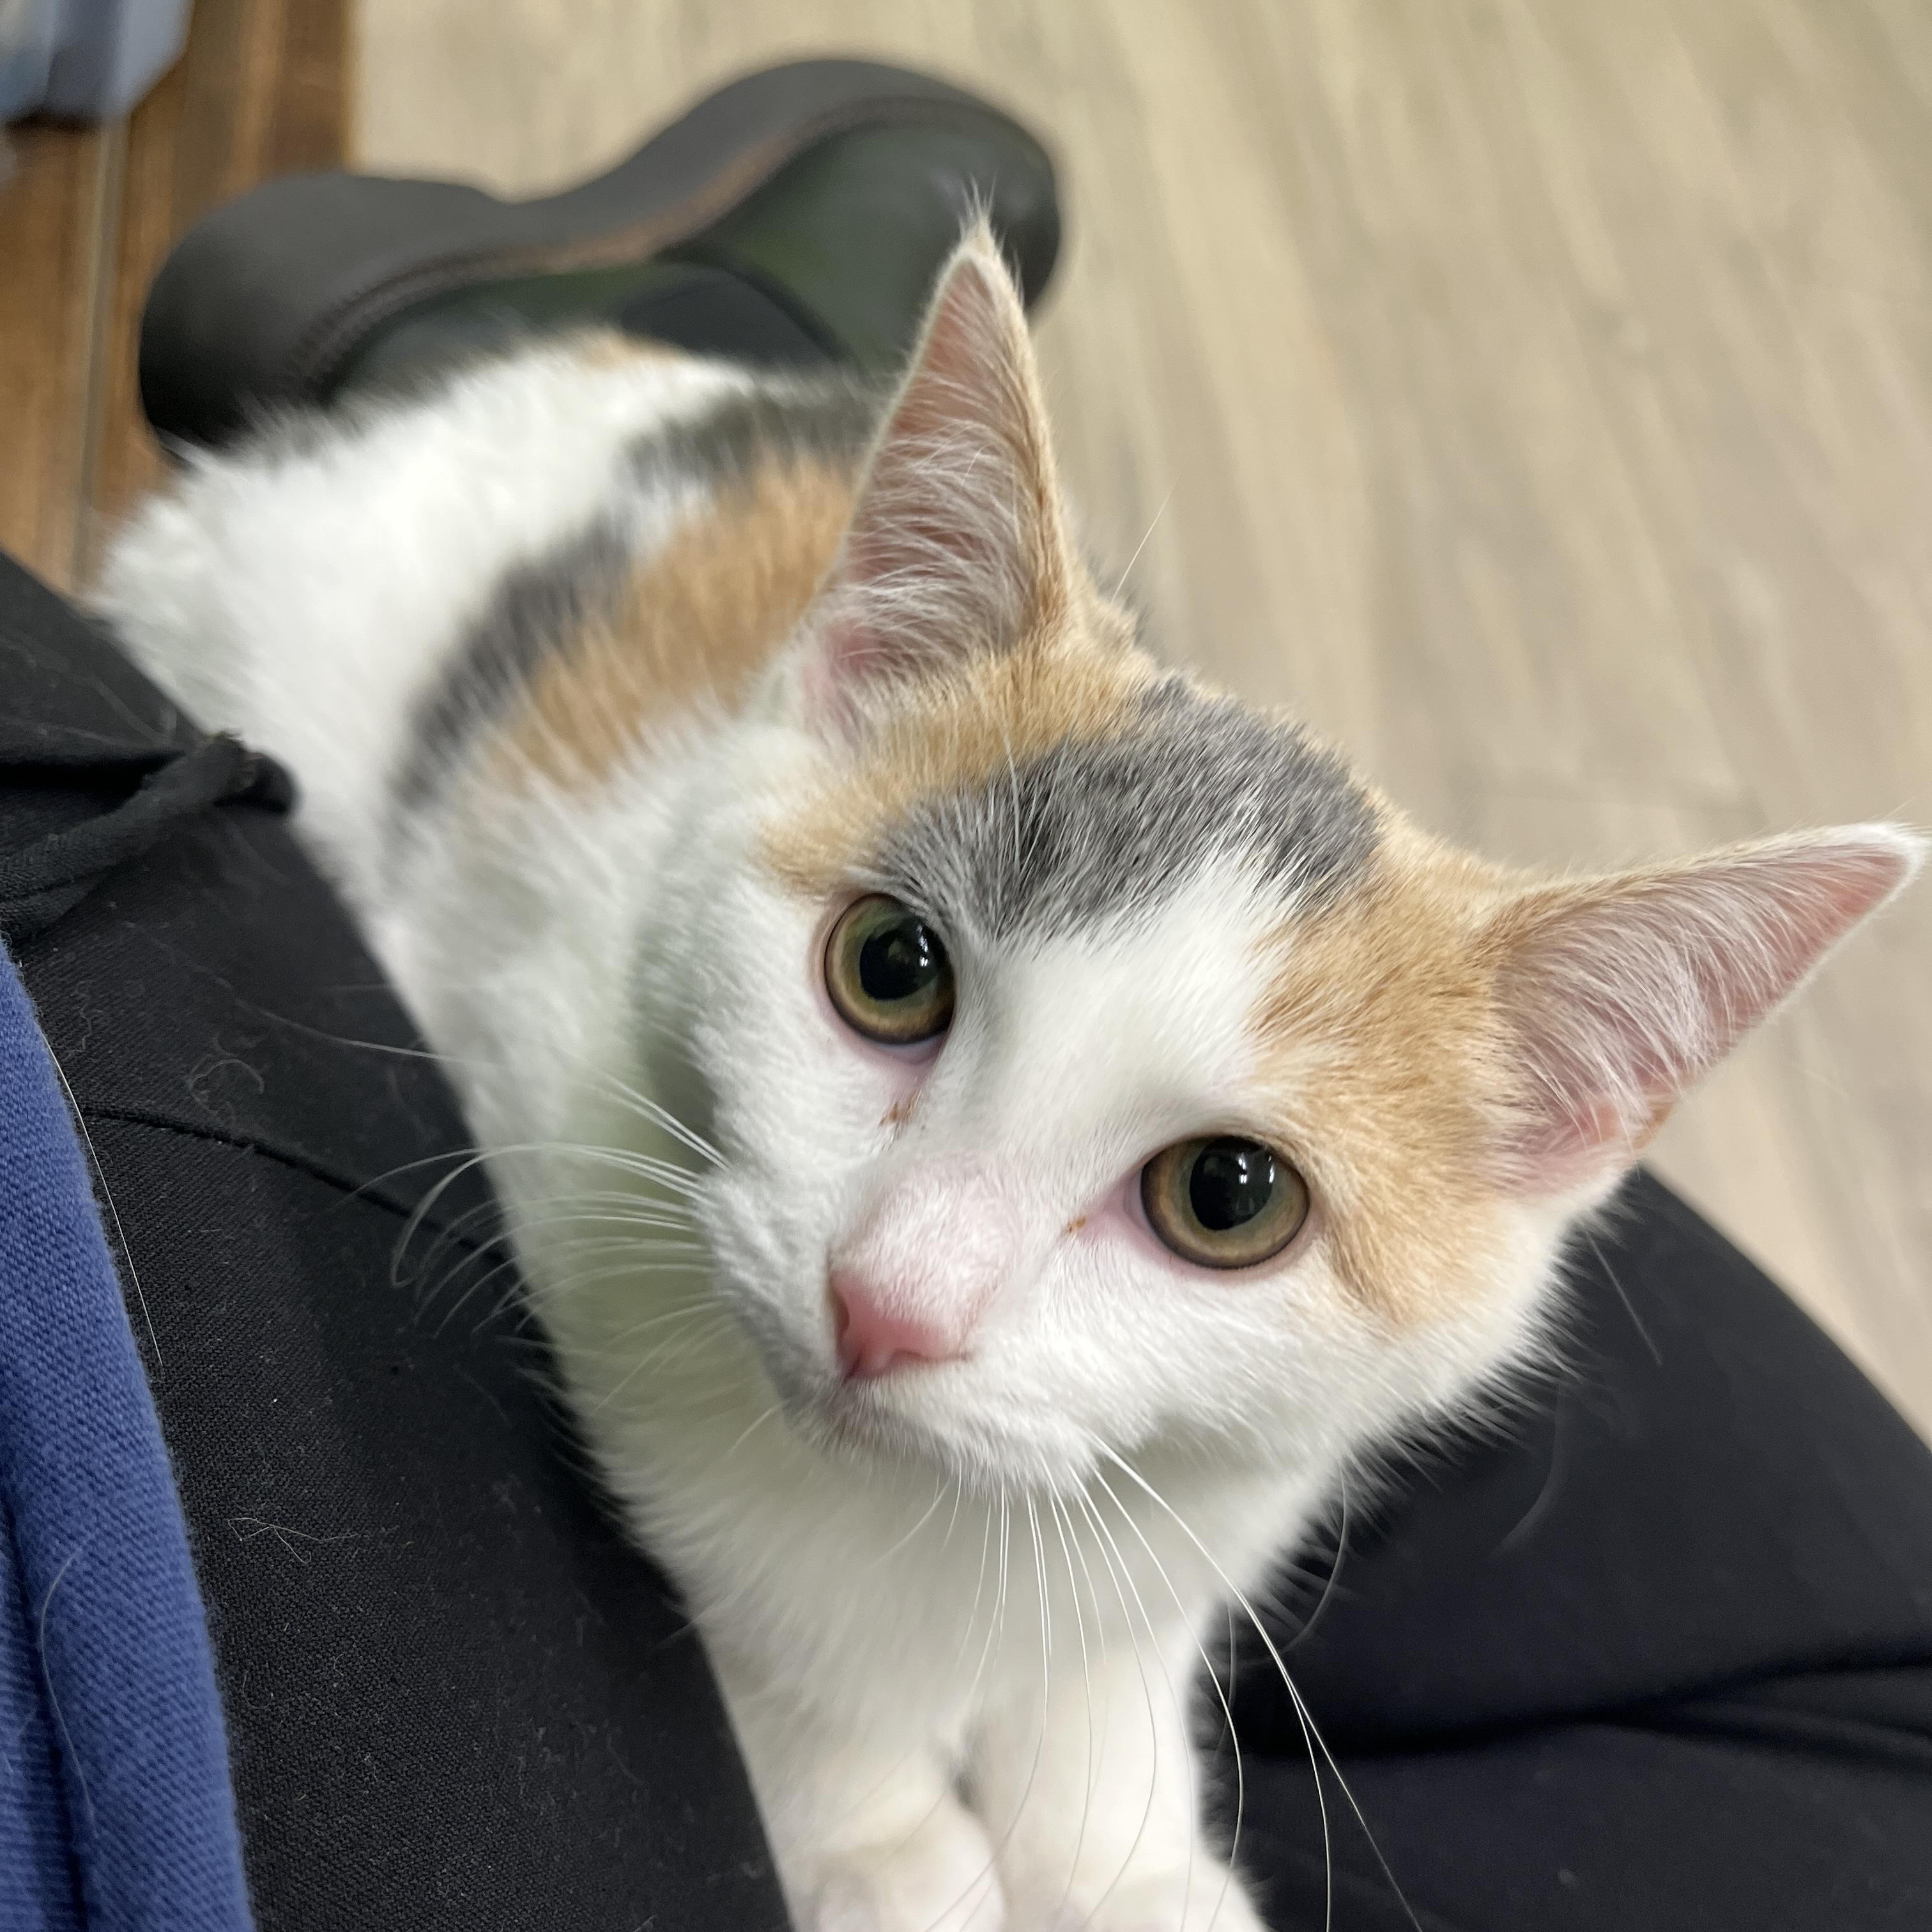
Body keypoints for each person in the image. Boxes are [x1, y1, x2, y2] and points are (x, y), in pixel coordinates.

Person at [3, 59, 1928, 1932]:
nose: (898, 1291)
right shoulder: (644, 1041)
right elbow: (485, 985)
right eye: (890, 975)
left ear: (1558, 1134)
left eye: (1218, 1196)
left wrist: (1104, 1822)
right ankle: (667, 342)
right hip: (400, 623)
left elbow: (1152, 1559)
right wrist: (846, 1805)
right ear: (828, 704)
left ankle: (697, 339)